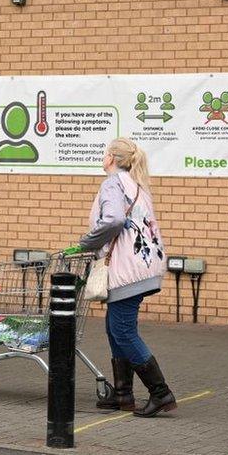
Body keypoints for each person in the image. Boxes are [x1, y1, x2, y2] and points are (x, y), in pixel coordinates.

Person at [67, 138, 173, 417]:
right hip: (142, 266)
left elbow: (113, 219)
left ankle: (160, 392)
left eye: (105, 153)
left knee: (123, 332)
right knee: (115, 330)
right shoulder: (136, 185)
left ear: (112, 157)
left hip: (127, 271)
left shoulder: (113, 184)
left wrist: (87, 242)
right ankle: (123, 394)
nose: (103, 157)